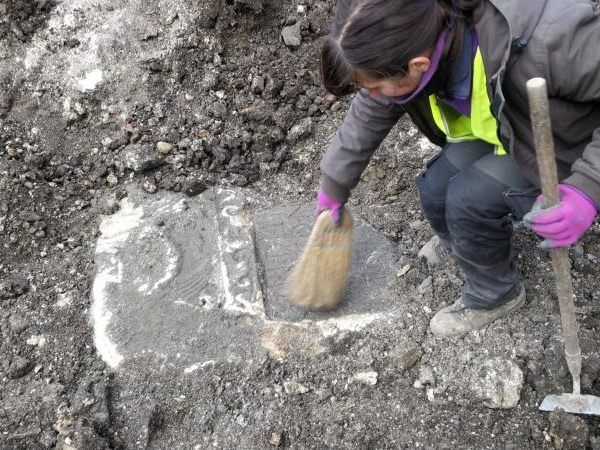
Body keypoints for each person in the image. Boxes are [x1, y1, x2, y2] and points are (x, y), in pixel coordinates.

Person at [315, 0, 600, 337]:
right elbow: (372, 107)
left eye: (377, 87)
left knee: (468, 199)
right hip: (507, 127)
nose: (374, 95)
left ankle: (496, 293)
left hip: (564, 145)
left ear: (418, 65)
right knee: (435, 189)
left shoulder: (552, 40)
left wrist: (588, 187)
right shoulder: (419, 35)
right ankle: (470, 245)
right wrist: (334, 184)